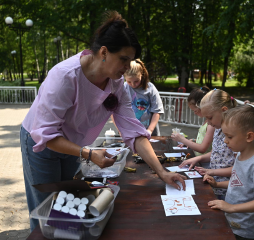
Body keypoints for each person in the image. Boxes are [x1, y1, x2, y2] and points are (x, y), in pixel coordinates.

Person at [20, 11, 186, 232]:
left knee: (68, 204)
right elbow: (46, 135)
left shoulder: (116, 83)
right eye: (124, 59)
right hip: (41, 144)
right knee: (47, 209)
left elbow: (134, 132)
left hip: (73, 145)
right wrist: (88, 153)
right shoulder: (65, 77)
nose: (127, 67)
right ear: (104, 52)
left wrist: (162, 172)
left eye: (131, 60)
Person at [206, 105, 254, 240]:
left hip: (244, 229)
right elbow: (239, 183)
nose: (225, 140)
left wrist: (231, 208)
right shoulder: (240, 156)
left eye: (229, 136)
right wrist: (217, 185)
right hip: (232, 221)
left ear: (249, 137)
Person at [179, 88, 237, 200]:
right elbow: (216, 153)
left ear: (224, 110)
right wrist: (199, 158)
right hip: (215, 186)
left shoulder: (235, 135)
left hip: (230, 192)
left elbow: (240, 169)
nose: (208, 122)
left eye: (210, 117)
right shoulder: (217, 128)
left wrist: (212, 171)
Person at [171, 86, 215, 165]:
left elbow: (202, 148)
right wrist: (193, 141)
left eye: (196, 110)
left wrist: (183, 140)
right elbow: (205, 140)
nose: (195, 113)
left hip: (205, 163)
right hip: (199, 160)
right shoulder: (207, 121)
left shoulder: (211, 124)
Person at [123, 59, 164, 136]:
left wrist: (150, 130)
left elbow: (157, 111)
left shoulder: (150, 88)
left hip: (150, 131)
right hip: (130, 132)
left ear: (141, 75)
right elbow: (116, 111)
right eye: (129, 81)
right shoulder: (123, 88)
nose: (133, 85)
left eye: (136, 81)